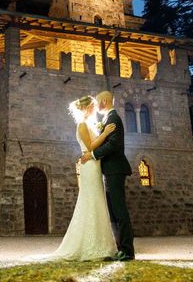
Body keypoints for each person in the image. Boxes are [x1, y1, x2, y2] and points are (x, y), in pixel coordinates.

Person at [52, 95, 118, 261]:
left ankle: (101, 243)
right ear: (88, 108)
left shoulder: (89, 124)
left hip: (94, 164)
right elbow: (90, 147)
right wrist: (105, 134)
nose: (96, 109)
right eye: (94, 106)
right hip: (89, 166)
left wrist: (102, 133)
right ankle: (91, 245)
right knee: (91, 200)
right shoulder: (82, 125)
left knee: (97, 201)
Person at [80, 90, 135, 261]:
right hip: (109, 169)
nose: (96, 105)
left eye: (98, 102)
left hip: (115, 169)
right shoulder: (107, 119)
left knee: (119, 209)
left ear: (105, 101)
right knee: (113, 211)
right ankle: (120, 248)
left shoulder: (113, 119)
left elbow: (113, 145)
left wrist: (93, 155)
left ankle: (128, 251)